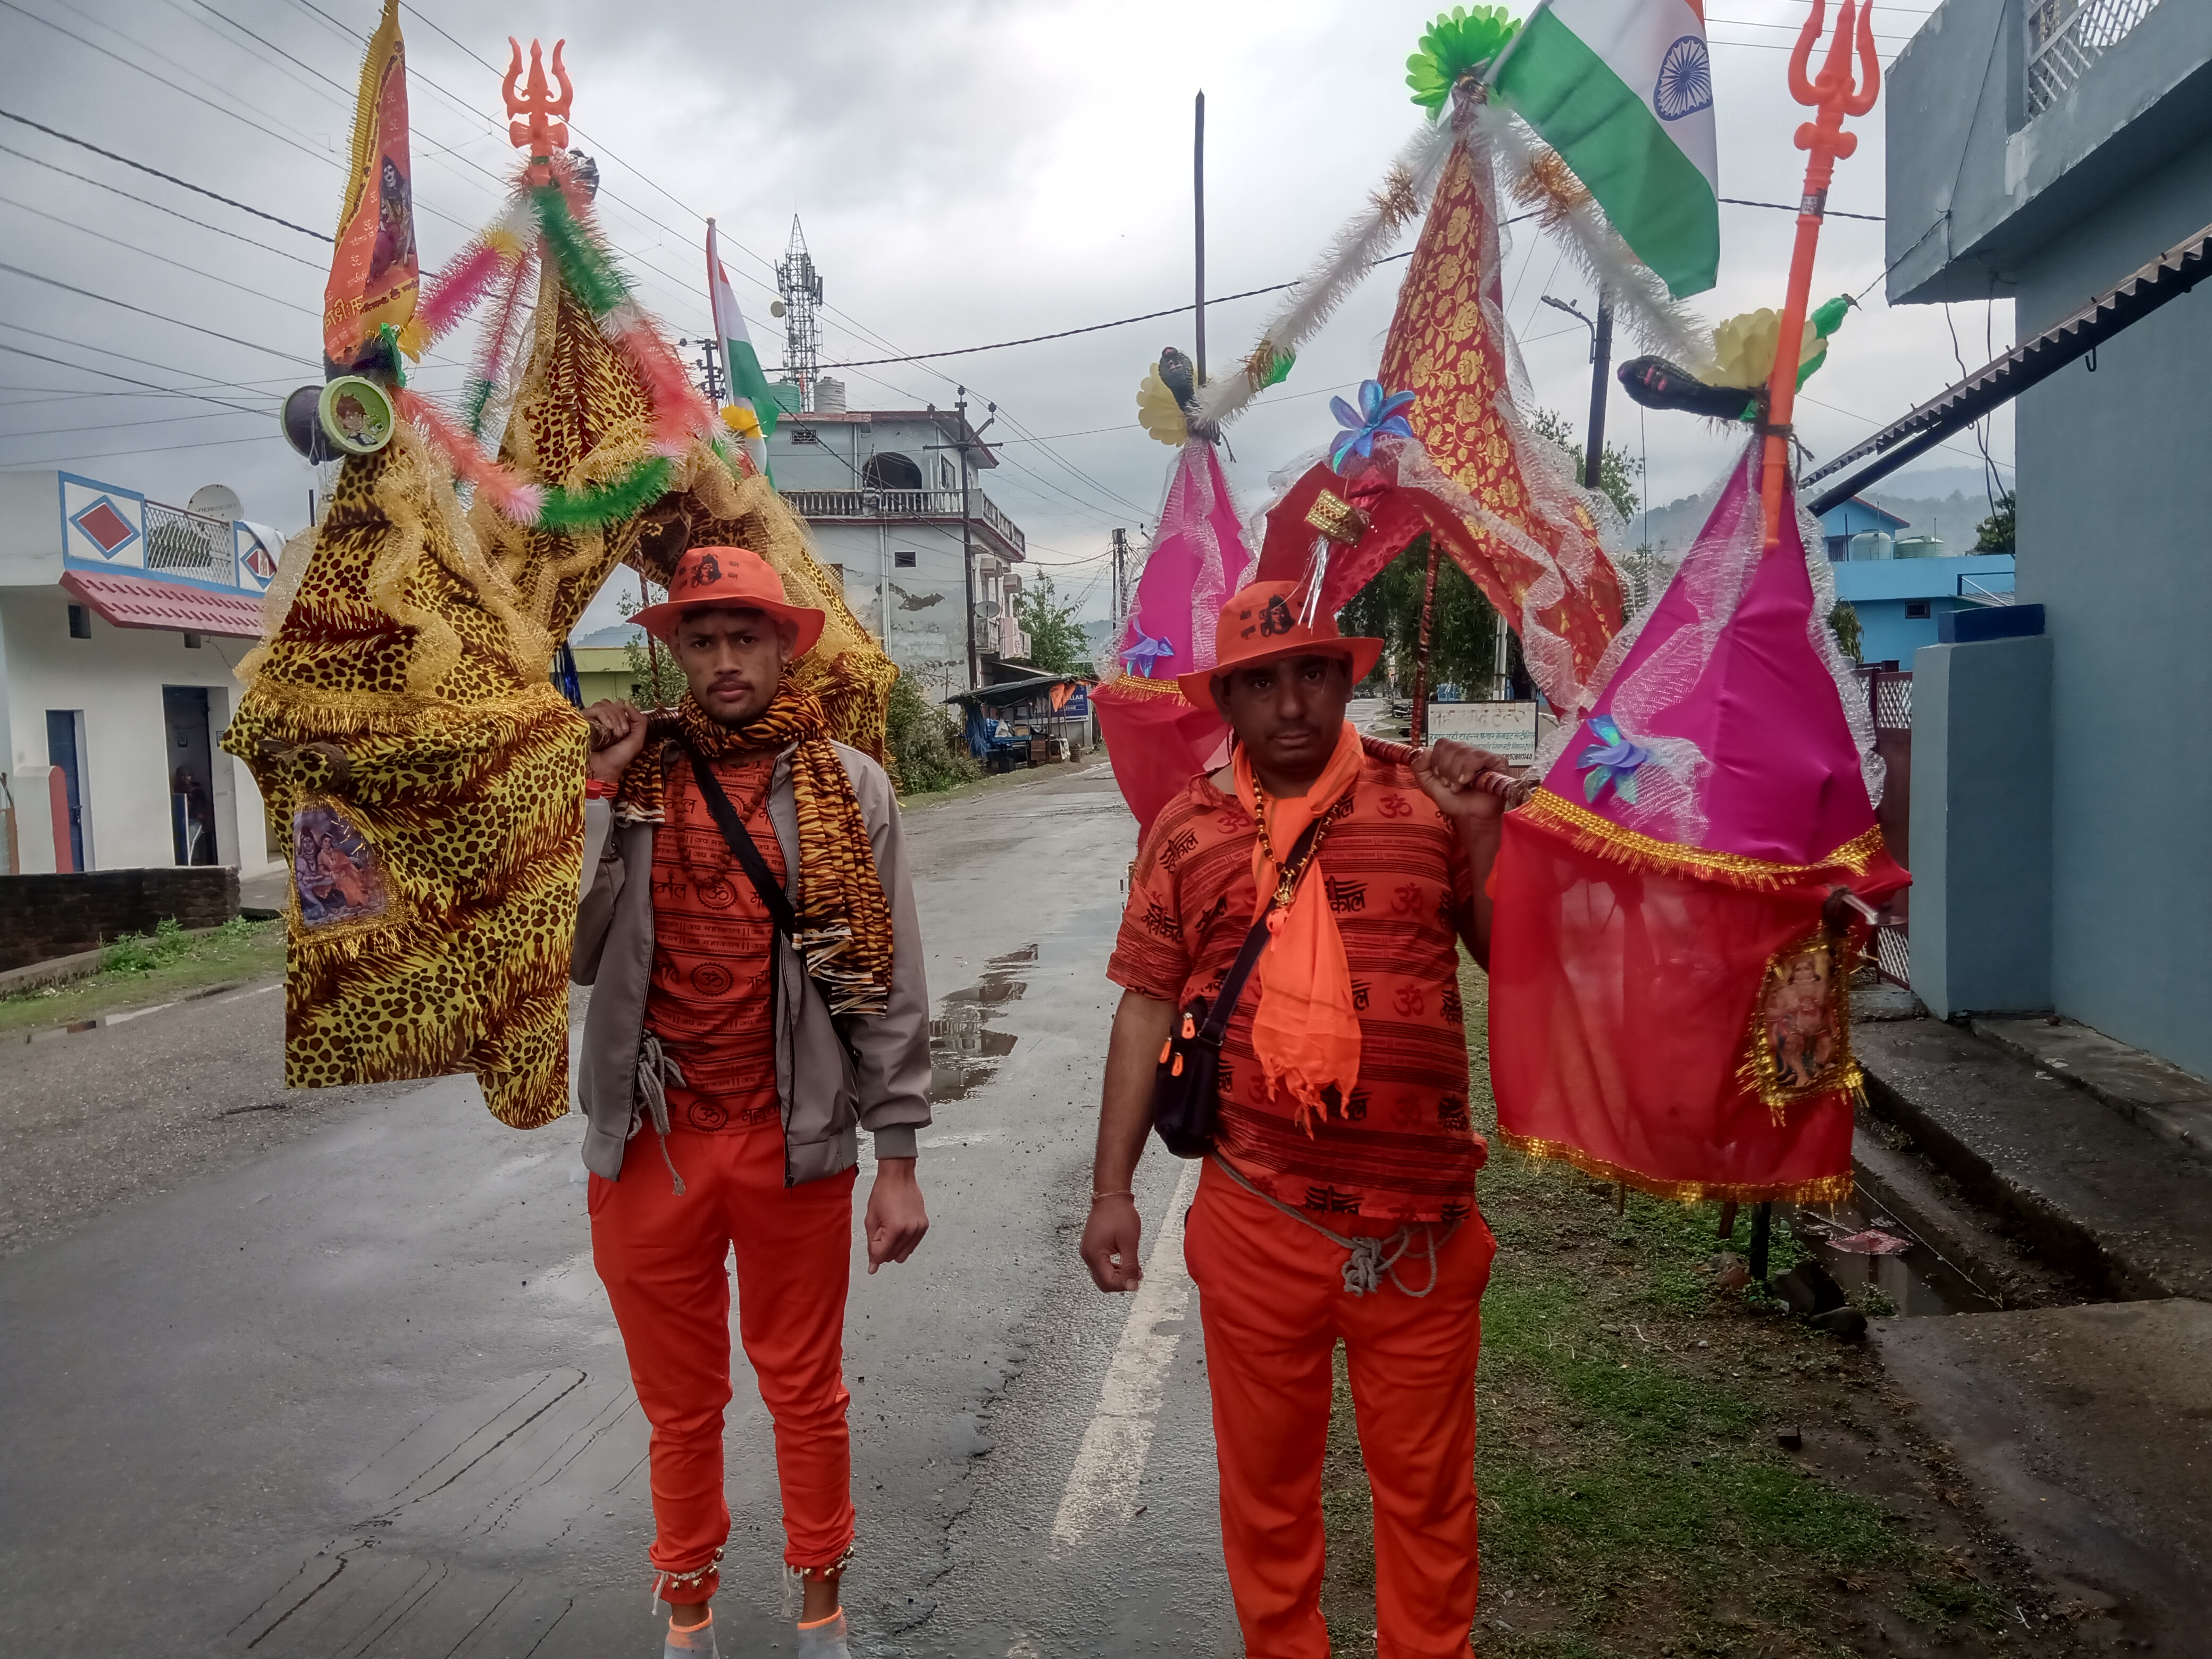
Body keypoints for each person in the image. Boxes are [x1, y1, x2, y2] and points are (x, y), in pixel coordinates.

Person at [1082, 580, 1511, 1658]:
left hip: (1416, 1232)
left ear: (1344, 678)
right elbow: (1143, 1006)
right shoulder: (1183, 829)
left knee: (1427, 1502)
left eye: (1310, 673)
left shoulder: (1425, 798)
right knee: (1267, 1504)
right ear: (1225, 696)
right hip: (1255, 1219)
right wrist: (1110, 1192)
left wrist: (1487, 838)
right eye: (1259, 680)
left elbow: (1512, 957)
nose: (1288, 703)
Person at [575, 544, 932, 1659]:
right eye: (701, 640)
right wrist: (599, 794)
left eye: (745, 638)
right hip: (651, 1145)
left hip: (794, 1140)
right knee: (678, 1405)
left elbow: (885, 983)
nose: (725, 661)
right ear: (675, 651)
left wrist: (899, 1155)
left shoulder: (850, 785)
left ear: (785, 645)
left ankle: (821, 1615)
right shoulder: (634, 776)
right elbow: (578, 955)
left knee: (804, 1388)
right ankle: (689, 1623)